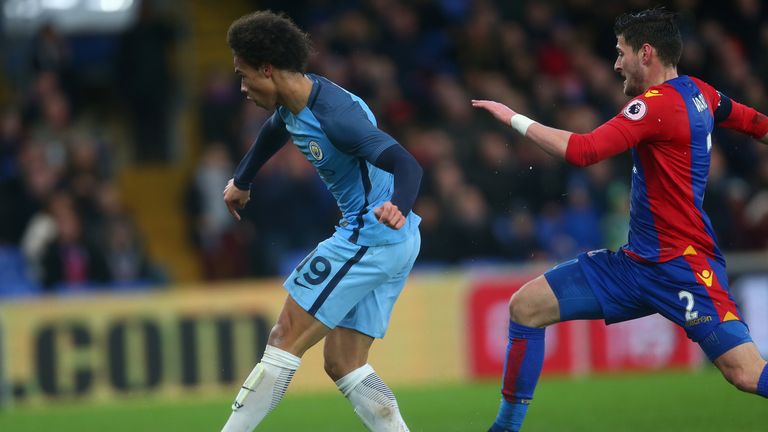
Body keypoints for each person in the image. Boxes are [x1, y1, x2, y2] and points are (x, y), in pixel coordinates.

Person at [472, 8, 768, 432]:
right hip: (634, 266)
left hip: (683, 267)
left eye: (620, 52)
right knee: (525, 307)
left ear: (645, 53)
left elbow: (583, 151)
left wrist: (513, 117)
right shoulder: (700, 92)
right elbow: (754, 123)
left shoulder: (654, 106)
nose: (616, 64)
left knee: (745, 372)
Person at [220, 11, 422, 432]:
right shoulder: (298, 101)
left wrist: (397, 206)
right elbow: (277, 128)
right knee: (343, 362)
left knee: (284, 336)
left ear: (268, 69)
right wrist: (243, 179)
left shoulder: (337, 119)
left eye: (244, 75)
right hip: (393, 242)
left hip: (371, 234)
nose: (242, 88)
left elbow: (407, 163)